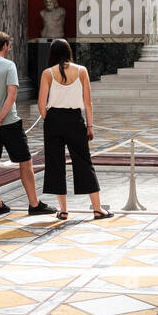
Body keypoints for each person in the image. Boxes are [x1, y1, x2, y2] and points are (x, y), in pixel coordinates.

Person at [0, 31, 53, 218]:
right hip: (8, 122)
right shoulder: (9, 66)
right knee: (25, 162)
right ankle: (34, 204)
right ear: (5, 46)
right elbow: (12, 95)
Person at [37, 38, 112, 221]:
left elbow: (41, 104)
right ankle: (97, 209)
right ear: (69, 51)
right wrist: (90, 126)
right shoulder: (81, 71)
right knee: (84, 163)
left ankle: (63, 211)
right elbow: (88, 102)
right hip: (75, 120)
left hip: (54, 119)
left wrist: (51, 120)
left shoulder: (47, 73)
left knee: (56, 164)